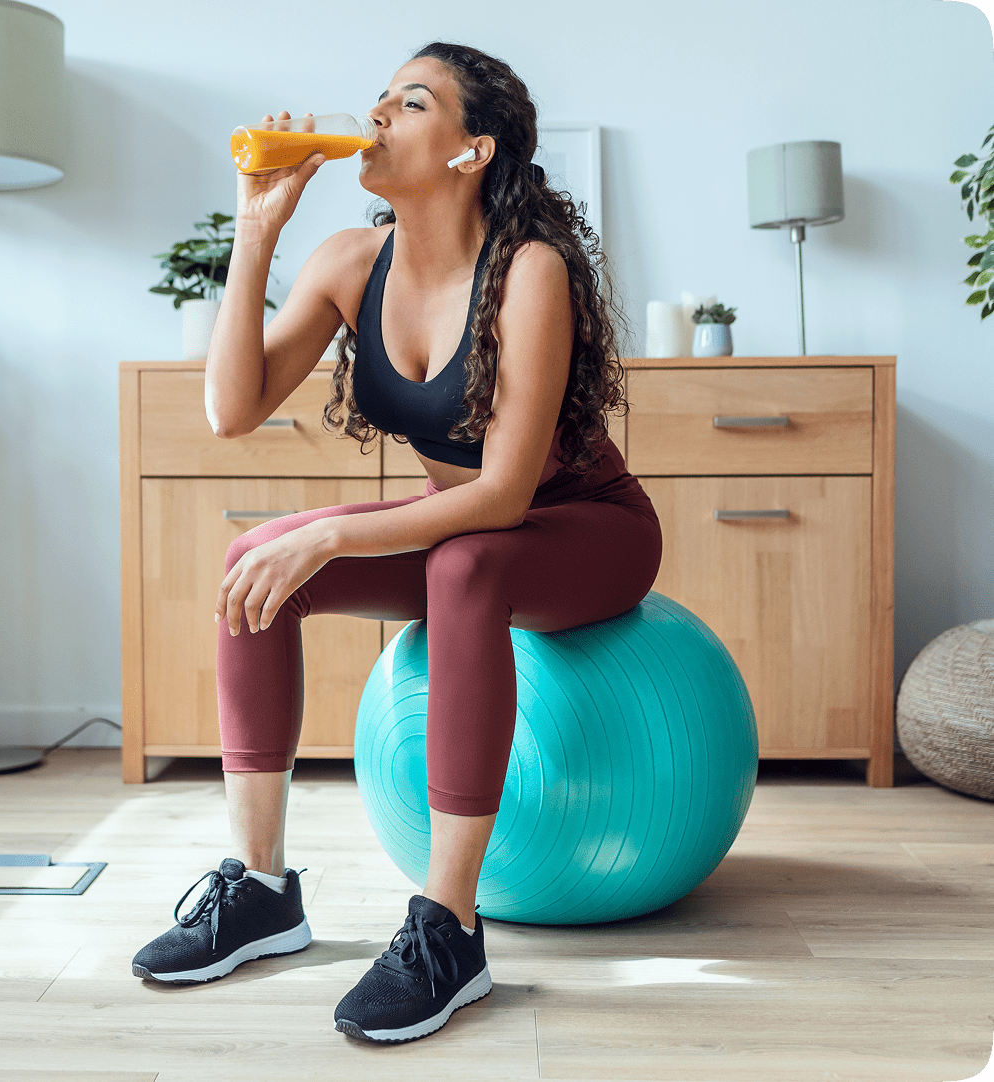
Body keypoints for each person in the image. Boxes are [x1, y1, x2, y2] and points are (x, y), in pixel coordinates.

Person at [132, 40, 662, 1045]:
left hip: (584, 526)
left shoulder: (529, 271)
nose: (374, 117)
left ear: (470, 151)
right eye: (376, 99)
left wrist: (336, 530)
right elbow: (229, 409)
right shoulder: (347, 261)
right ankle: (258, 889)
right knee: (259, 562)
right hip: (468, 526)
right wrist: (256, 229)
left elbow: (504, 493)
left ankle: (447, 928)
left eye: (408, 104)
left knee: (461, 559)